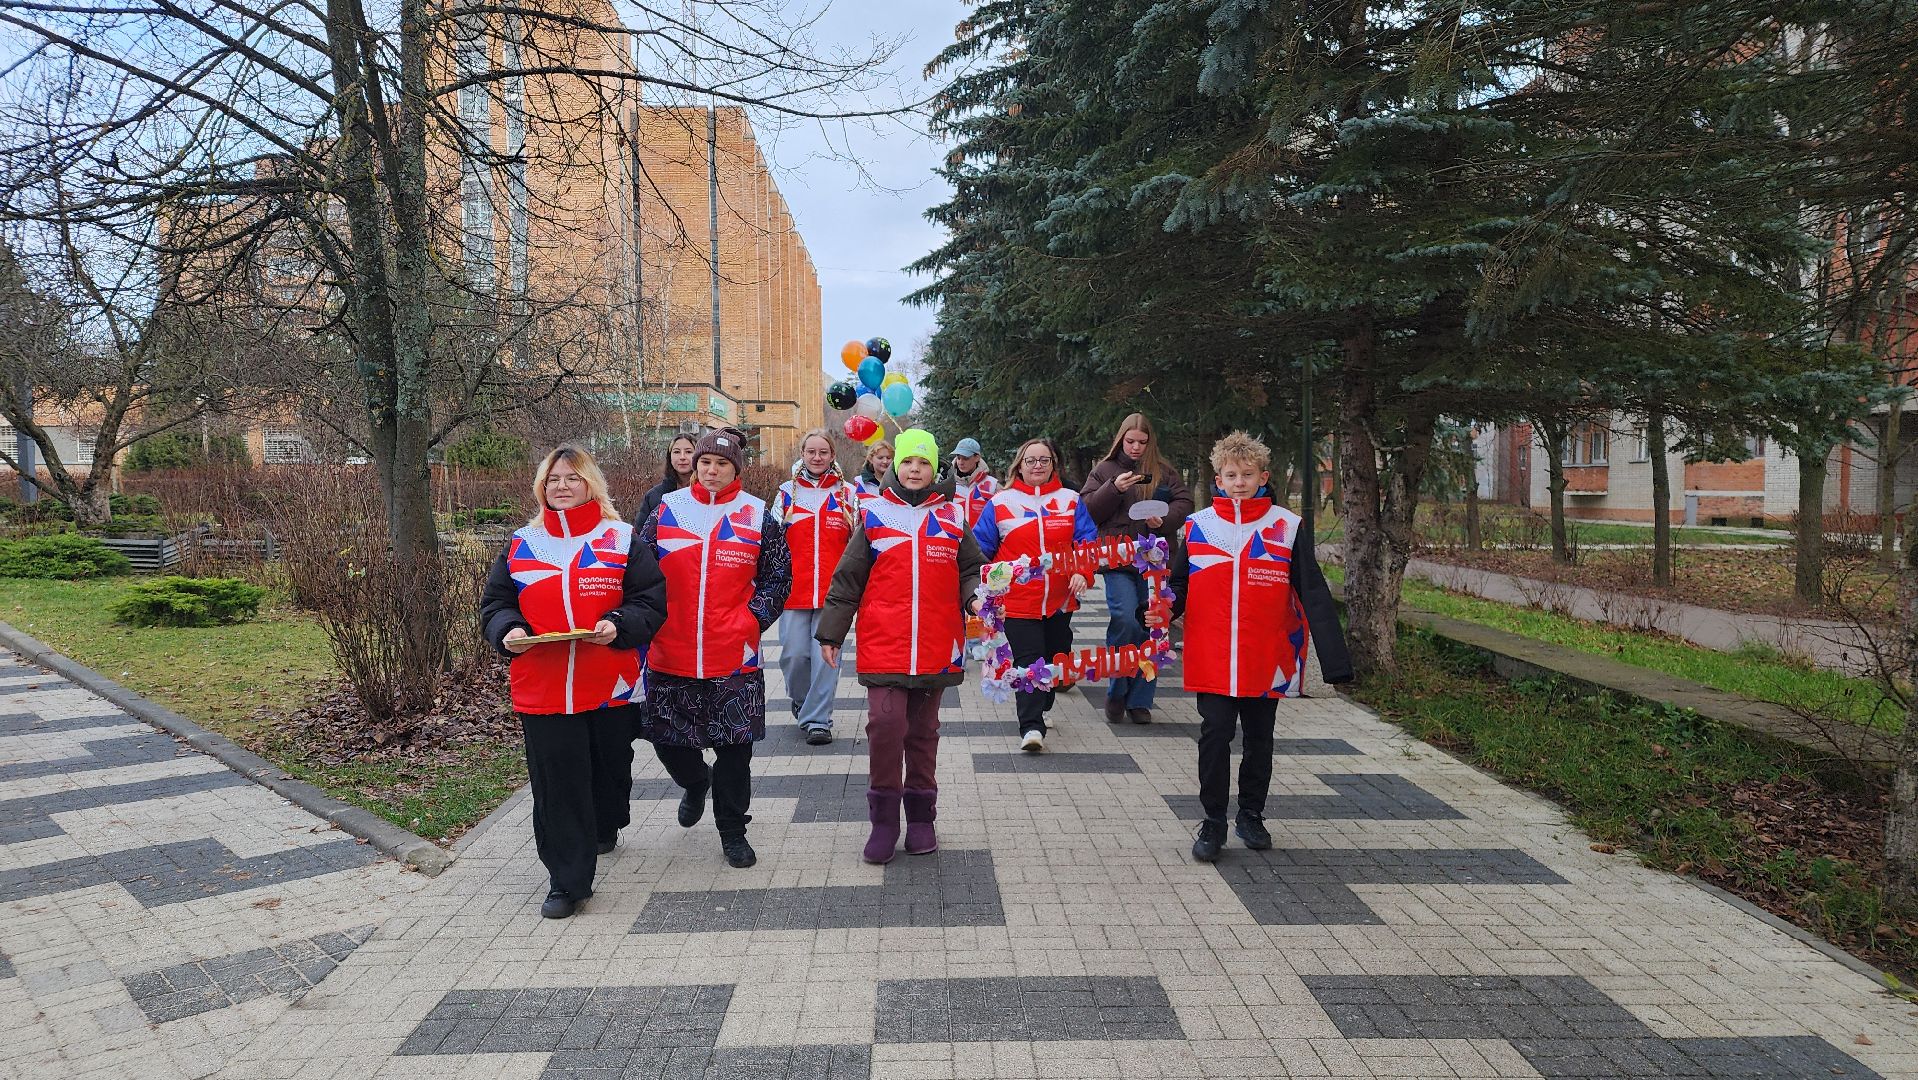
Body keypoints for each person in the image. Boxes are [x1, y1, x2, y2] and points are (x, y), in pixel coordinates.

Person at [480, 445, 668, 919]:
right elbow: (496, 604)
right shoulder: (522, 543)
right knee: (558, 785)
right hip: (542, 685)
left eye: (572, 477)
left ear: (591, 485)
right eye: (553, 478)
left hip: (608, 683)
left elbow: (650, 602)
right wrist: (508, 631)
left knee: (607, 775)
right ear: (542, 486)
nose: (561, 486)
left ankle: (606, 825)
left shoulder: (623, 540)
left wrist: (618, 623)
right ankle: (568, 881)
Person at [1162, 431, 1352, 863]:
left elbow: (1312, 590)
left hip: (1267, 655)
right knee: (1214, 735)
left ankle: (1251, 814)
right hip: (1211, 653)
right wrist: (1157, 613)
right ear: (1219, 478)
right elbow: (1178, 585)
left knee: (1260, 738)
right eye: (1232, 475)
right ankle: (1212, 822)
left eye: (1248, 474)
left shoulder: (1286, 526)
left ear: (1263, 476)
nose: (1240, 482)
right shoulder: (1198, 525)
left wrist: (1336, 662)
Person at [817, 429, 984, 863]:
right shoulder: (873, 515)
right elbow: (848, 578)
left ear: (935, 469)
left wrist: (976, 596)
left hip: (936, 643)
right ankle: (884, 821)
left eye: (923, 463)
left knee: (924, 733)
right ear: (895, 466)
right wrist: (832, 632)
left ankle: (923, 817)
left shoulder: (952, 517)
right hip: (883, 640)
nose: (915, 469)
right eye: (908, 461)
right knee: (885, 728)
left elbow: (971, 570)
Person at [639, 428, 792, 869]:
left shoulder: (757, 515)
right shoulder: (667, 510)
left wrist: (751, 621)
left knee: (735, 749)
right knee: (669, 741)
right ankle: (694, 783)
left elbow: (778, 577)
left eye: (721, 464)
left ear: (735, 470)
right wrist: (648, 622)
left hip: (733, 655)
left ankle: (732, 830)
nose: (711, 470)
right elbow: (640, 571)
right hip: (671, 651)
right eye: (705, 462)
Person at [973, 437, 1096, 752]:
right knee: (1029, 662)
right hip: (1017, 602)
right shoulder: (1001, 503)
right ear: (1020, 465)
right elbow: (980, 550)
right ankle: (1030, 727)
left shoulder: (1070, 499)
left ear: (1053, 464)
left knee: (1056, 657)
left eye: (1044, 460)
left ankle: (1042, 706)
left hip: (1059, 601)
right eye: (1031, 460)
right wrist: (980, 589)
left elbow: (1086, 540)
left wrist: (1084, 571)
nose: (1038, 465)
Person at [1081, 414, 1193, 725]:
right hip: (1117, 560)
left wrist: (1166, 518)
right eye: (1130, 441)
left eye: (1142, 443)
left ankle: (1141, 699)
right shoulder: (1104, 470)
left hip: (1156, 562)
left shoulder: (1164, 471)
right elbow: (1087, 510)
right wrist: (1113, 488)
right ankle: (1117, 690)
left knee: (1154, 627)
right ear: (1121, 440)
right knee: (1125, 620)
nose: (1135, 447)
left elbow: (1184, 503)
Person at [775, 429, 857, 745]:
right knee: (794, 656)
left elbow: (858, 545)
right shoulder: (785, 493)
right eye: (811, 452)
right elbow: (772, 543)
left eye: (823, 452)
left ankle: (818, 719)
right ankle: (802, 703)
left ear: (832, 455)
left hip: (833, 596)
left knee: (825, 659)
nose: (817, 457)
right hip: (794, 592)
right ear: (803, 454)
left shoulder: (848, 495)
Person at [638, 431, 699, 531]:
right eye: (676, 452)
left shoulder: (708, 493)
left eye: (688, 452)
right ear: (669, 457)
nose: (682, 457)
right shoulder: (654, 496)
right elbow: (640, 536)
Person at [947, 437, 999, 528]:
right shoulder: (947, 484)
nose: (960, 462)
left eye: (965, 458)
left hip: (983, 541)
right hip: (955, 540)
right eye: (958, 458)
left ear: (977, 457)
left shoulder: (993, 485)